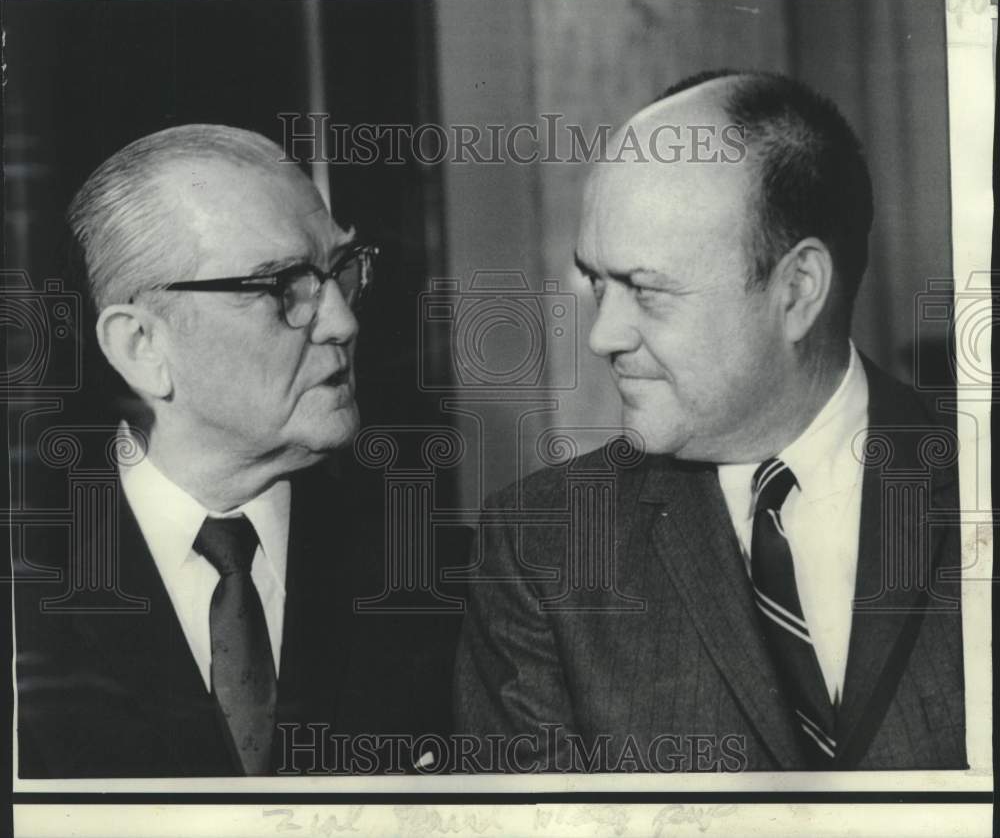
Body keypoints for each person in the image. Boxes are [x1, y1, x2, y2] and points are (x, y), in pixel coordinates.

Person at [454, 71, 966, 772]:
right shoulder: (543, 550)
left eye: (647, 289)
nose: (603, 335)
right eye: (597, 281)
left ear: (797, 290)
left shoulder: (974, 481)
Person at [15, 125, 461, 777]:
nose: (344, 322)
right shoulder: (25, 597)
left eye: (341, 270)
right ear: (143, 346)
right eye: (283, 286)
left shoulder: (448, 582)